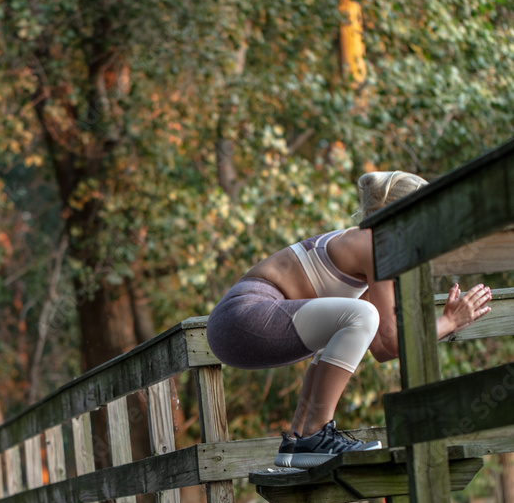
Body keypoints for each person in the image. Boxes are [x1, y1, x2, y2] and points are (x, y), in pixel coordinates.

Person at [206, 170, 492, 469]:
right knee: (360, 315)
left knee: (347, 325)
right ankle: (316, 433)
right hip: (243, 316)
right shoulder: (376, 244)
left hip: (236, 326)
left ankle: (299, 438)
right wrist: (449, 321)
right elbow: (391, 340)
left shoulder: (370, 250)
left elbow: (381, 347)